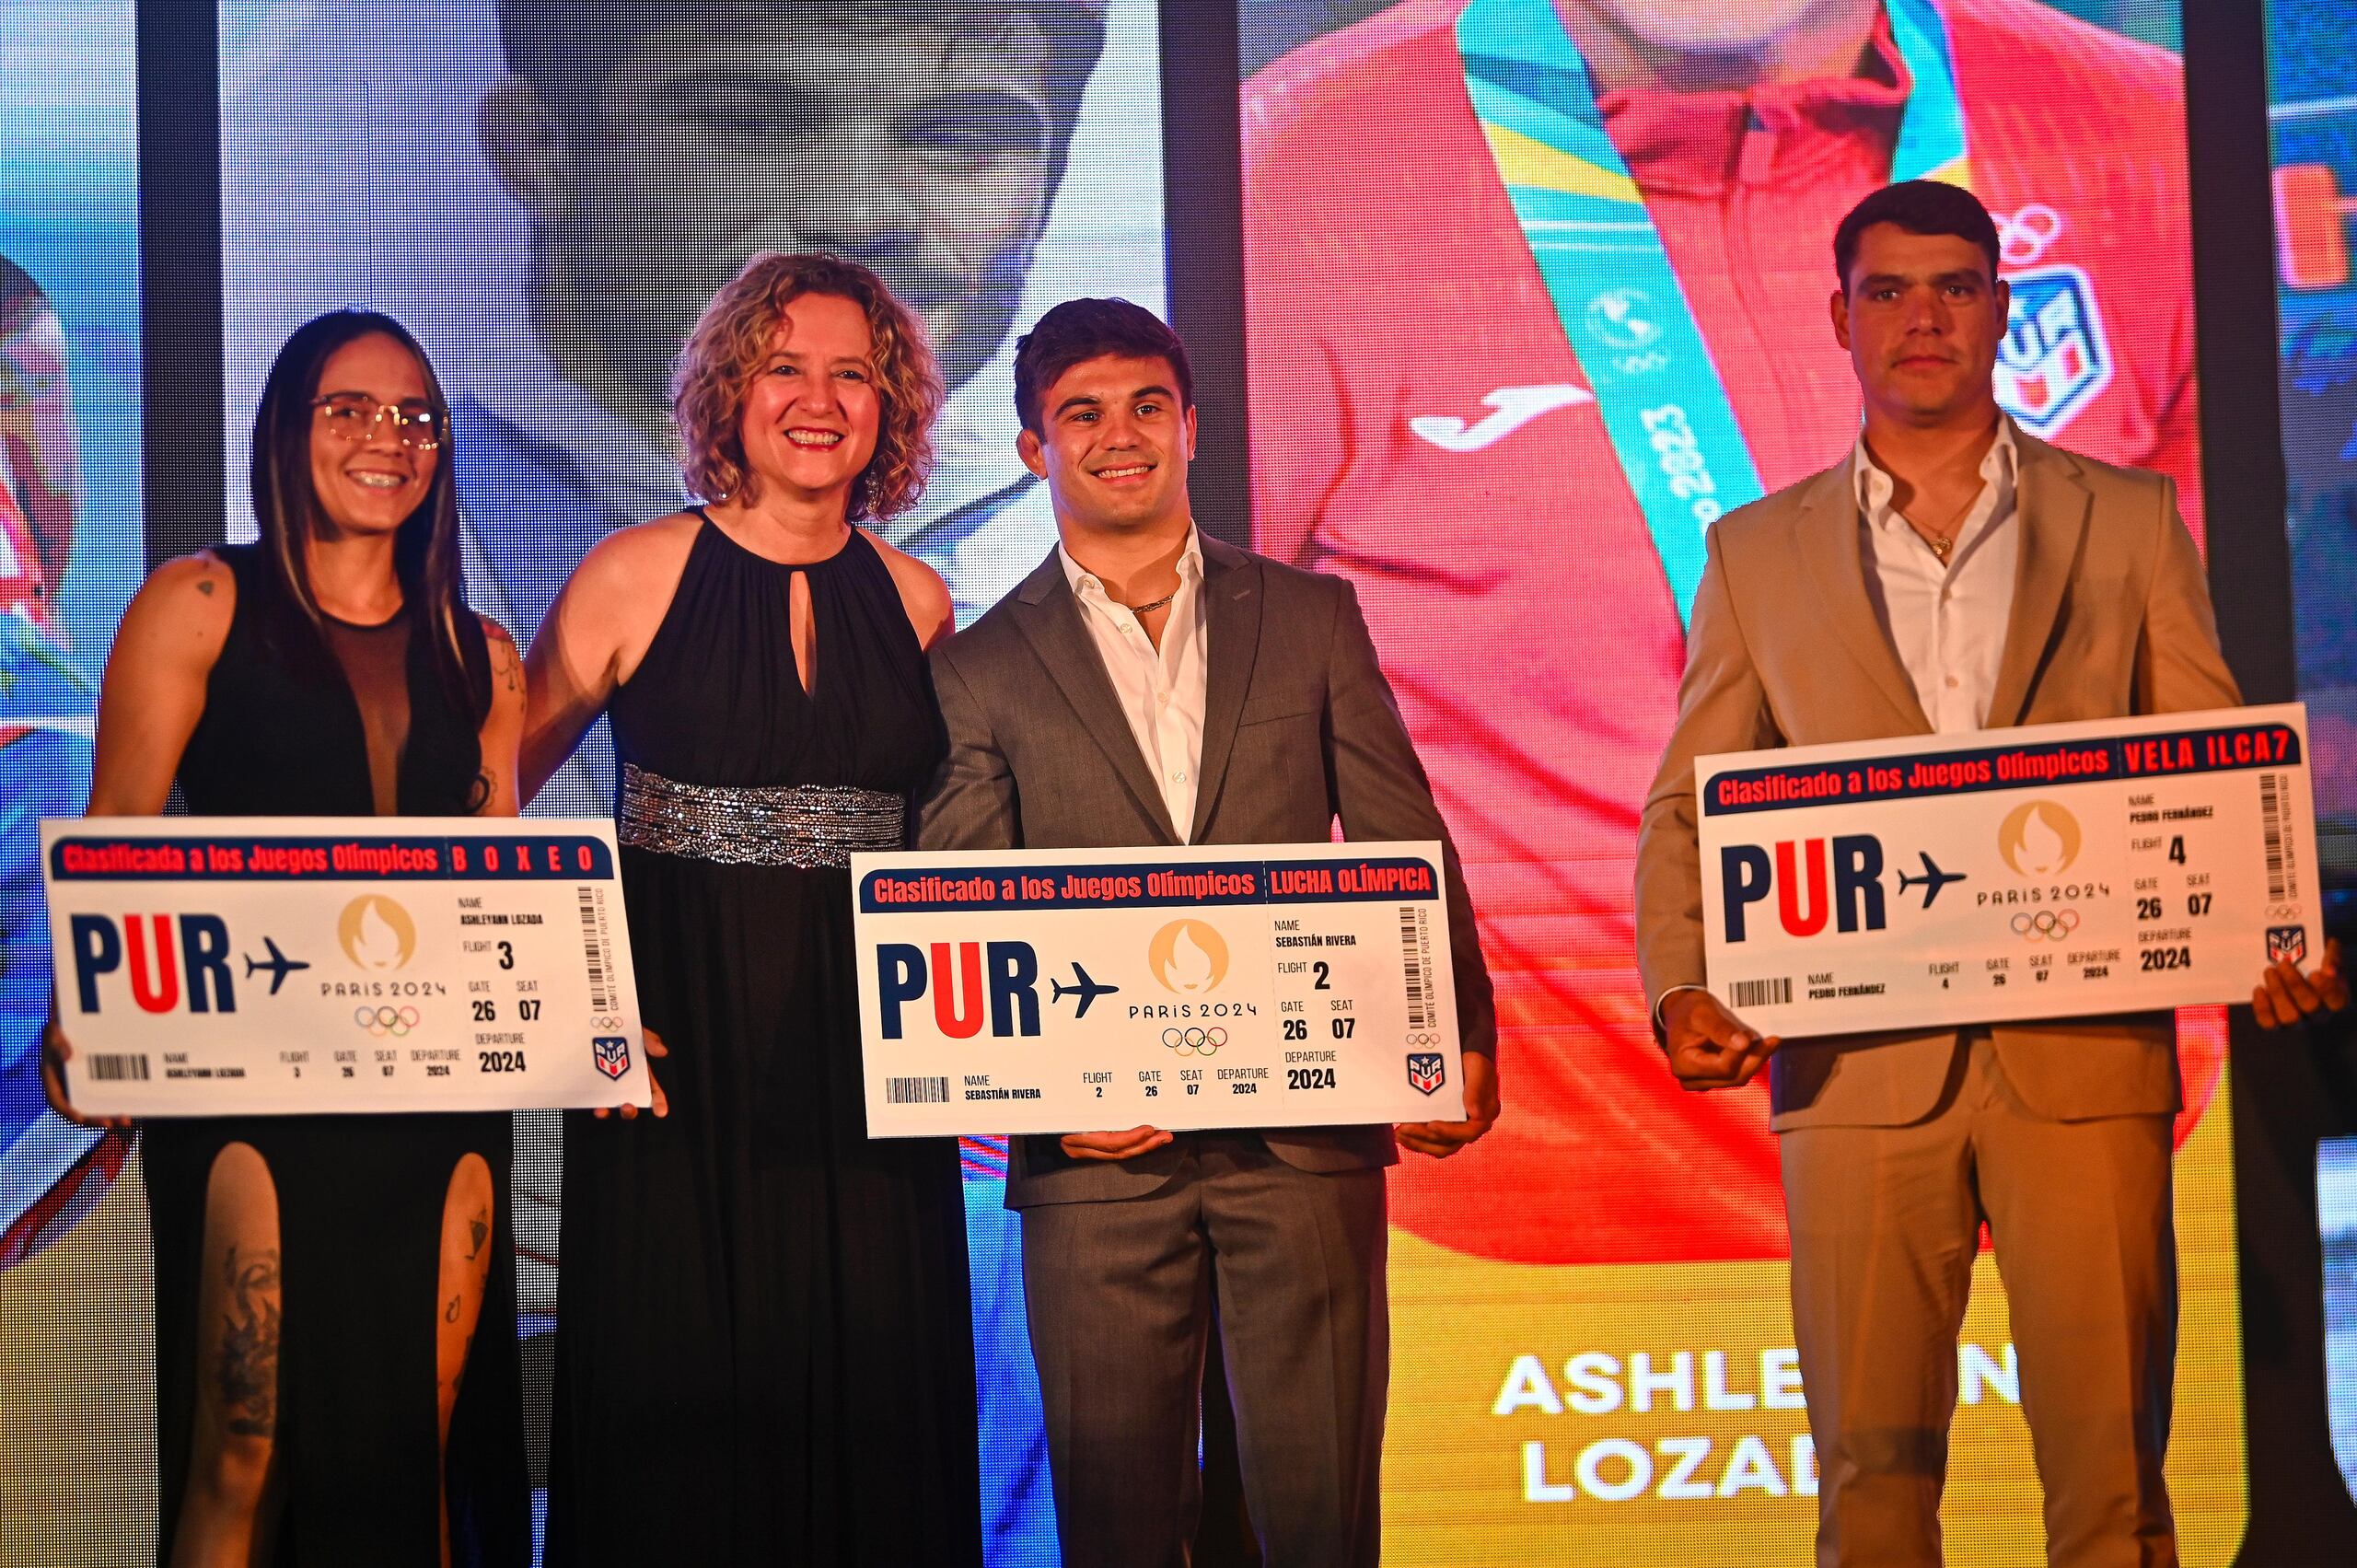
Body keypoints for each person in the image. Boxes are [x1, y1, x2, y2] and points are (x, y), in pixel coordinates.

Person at [1243, 0, 2213, 1267]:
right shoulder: (1290, 174)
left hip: (2101, 1188)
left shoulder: (2148, 135)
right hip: (1528, 1286)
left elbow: (2227, 708)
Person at [1633, 181, 2349, 1567]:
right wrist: (1680, 988)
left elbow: (2208, 763)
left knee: (2112, 1480)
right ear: (1838, 317)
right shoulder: (1754, 549)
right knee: (1870, 1480)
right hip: (1851, 1071)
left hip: (2084, 1063)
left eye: (1955, 286)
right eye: (1889, 290)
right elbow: (1686, 804)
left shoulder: (2129, 518)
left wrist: (2275, 927)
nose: (1922, 317)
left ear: (2002, 308)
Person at [917, 297, 1499, 1565]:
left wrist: (1459, 1035)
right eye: (1082, 413)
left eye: (1143, 407)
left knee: (1322, 1516)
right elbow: (964, 912)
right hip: (1097, 1163)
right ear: (1033, 448)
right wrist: (1042, 1093)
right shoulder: (978, 668)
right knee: (1119, 1530)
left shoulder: (1311, 616)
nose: (1117, 436)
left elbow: (1406, 845)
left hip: (1306, 1144)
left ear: (1189, 424)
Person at [42, 309, 531, 1564]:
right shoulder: (199, 601)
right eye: (350, 409)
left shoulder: (483, 657)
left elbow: (508, 900)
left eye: (415, 415)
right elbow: (115, 845)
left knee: (418, 1440)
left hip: (434, 1094)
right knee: (242, 1437)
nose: (388, 437)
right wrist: (80, 1020)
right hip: (247, 1088)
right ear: (286, 431)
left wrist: (585, 1018)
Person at [521, 251, 978, 1564]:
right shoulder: (634, 572)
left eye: (855, 372)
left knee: (869, 1424)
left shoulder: (921, 601)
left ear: (891, 408)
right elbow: (475, 815)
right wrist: (579, 1004)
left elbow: (955, 858)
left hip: (869, 1085)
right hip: (675, 1074)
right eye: (786, 366)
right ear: (731, 388)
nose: (819, 397)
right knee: (684, 1439)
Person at [465, 0, 1116, 808]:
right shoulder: (466, 520)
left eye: (960, 135)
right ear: (540, 146)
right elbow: (481, 818)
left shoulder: (944, 585)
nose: (859, 217)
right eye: (752, 121)